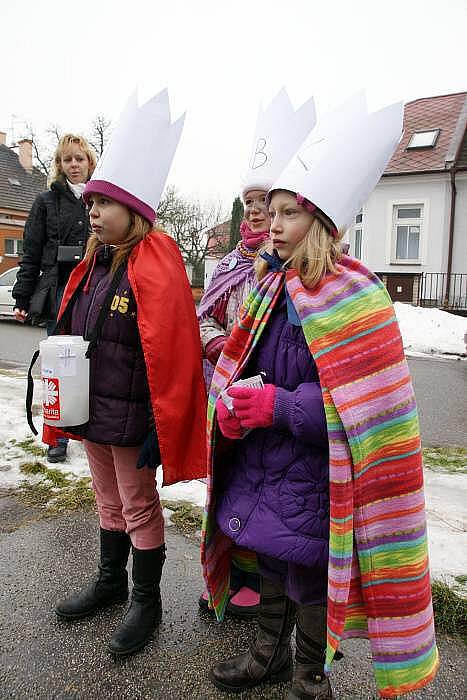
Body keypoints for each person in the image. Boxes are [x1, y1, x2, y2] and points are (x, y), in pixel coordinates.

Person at [201, 97, 438, 699]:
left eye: (288, 213)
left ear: (323, 221)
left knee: (307, 575)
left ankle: (310, 672)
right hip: (264, 465)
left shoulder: (357, 295)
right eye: (271, 212)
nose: (272, 224)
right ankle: (265, 657)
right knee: (271, 564)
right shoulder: (267, 284)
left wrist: (277, 407)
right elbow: (241, 362)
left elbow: (357, 405)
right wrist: (230, 406)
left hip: (314, 472)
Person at [47, 89, 207, 656]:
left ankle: (147, 601)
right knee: (107, 501)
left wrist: (155, 428)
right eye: (89, 205)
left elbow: (169, 348)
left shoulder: (156, 260)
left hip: (133, 417)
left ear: (133, 211)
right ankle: (111, 583)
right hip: (95, 410)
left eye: (101, 205)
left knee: (138, 505)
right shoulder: (93, 262)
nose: (92, 213)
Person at [197, 89, 316, 619]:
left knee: (279, 501)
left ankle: (273, 598)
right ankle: (239, 575)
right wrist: (221, 346)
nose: (258, 214)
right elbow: (204, 319)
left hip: (282, 402)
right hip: (231, 390)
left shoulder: (300, 273)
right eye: (250, 205)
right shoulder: (226, 267)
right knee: (237, 486)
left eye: (268, 205)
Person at [13, 134, 97, 463]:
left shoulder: (100, 198)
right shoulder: (46, 202)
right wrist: (22, 296)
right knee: (58, 368)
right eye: (67, 160)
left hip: (94, 292)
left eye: (79, 158)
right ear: (59, 165)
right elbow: (31, 253)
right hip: (58, 293)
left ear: (89, 162)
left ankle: (89, 427)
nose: (73, 165)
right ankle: (58, 435)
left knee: (93, 363)